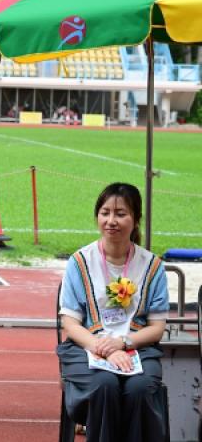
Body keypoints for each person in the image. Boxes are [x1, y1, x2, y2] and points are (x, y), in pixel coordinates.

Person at [57, 182, 169, 442]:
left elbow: (156, 328)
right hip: (86, 347)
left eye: (121, 214)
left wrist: (123, 343)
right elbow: (70, 324)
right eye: (105, 213)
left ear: (136, 219)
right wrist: (105, 349)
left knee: (140, 388)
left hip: (138, 348)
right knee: (104, 385)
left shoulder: (152, 266)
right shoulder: (80, 262)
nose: (111, 221)